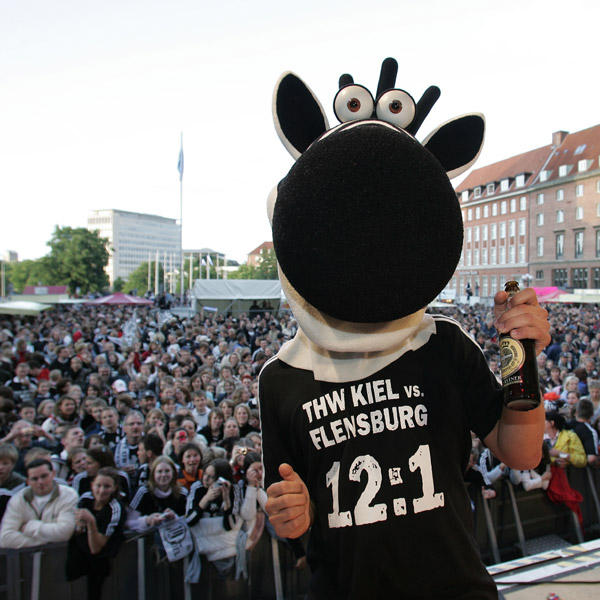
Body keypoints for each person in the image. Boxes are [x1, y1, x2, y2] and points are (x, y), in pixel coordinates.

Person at [66, 467, 126, 600]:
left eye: (107, 486)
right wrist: (79, 527)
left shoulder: (115, 508)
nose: (102, 490)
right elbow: (76, 530)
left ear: (115, 488)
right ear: (92, 484)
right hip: (78, 558)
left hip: (100, 561)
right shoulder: (85, 499)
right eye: (98, 485)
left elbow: (96, 548)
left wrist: (91, 521)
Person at [0, 458, 78, 548]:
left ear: (53, 474)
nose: (40, 482)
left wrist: (29, 527)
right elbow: (5, 539)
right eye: (34, 479)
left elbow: (65, 533)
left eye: (44, 476)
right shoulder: (18, 499)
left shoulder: (68, 495)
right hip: (28, 555)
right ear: (28, 481)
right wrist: (47, 542)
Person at [128, 456, 187, 532]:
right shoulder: (143, 492)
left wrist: (174, 518)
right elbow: (129, 522)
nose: (163, 475)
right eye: (159, 471)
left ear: (173, 472)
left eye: (167, 471)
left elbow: (188, 519)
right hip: (148, 536)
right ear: (153, 474)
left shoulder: (182, 493)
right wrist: (147, 521)